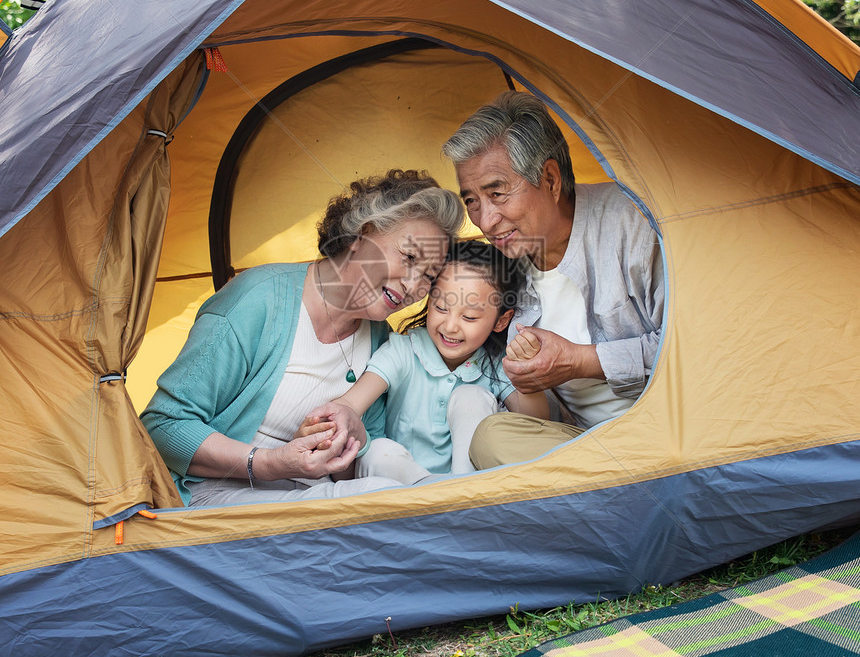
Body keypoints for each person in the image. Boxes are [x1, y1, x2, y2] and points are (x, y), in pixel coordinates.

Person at [141, 169, 464, 506]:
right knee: (379, 500)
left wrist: (342, 443)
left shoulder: (380, 339)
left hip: (312, 498)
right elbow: (163, 426)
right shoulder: (258, 300)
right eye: (409, 257)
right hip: (212, 495)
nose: (414, 286)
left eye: (429, 276)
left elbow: (362, 464)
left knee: (383, 493)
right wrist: (271, 463)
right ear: (363, 235)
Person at [441, 92, 664, 467]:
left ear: (550, 179)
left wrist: (580, 361)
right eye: (472, 201)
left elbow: (695, 350)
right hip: (583, 447)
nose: (485, 220)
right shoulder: (502, 268)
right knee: (493, 437)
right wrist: (527, 383)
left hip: (668, 429)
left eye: (497, 193)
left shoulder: (633, 224)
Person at [305, 240, 550, 484]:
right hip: (400, 484)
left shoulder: (496, 363)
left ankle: (462, 488)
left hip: (469, 485)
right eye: (441, 307)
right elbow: (353, 401)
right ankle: (433, 494)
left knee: (471, 396)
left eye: (469, 316)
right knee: (377, 452)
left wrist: (525, 371)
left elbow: (537, 424)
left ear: (500, 321)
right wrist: (335, 417)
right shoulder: (403, 350)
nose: (450, 326)